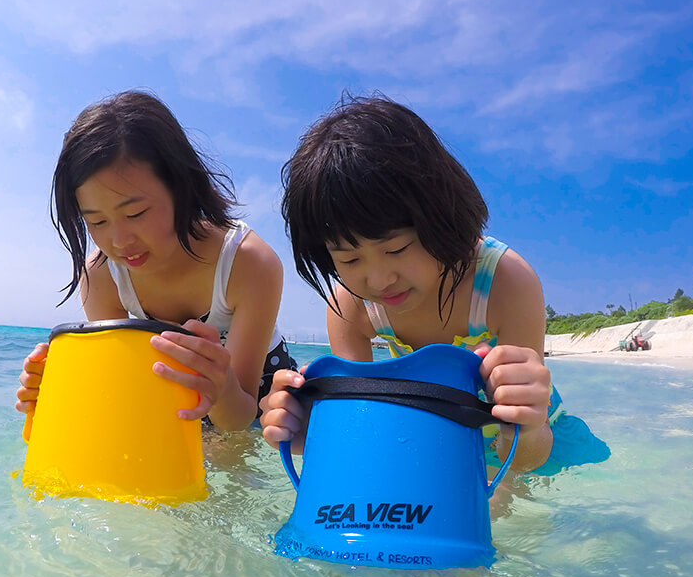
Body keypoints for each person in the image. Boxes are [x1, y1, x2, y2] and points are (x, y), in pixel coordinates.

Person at [259, 94, 609, 474]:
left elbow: (526, 458)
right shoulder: (352, 305)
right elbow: (363, 426)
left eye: (396, 249)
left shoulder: (504, 282)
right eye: (349, 260)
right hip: (438, 430)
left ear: (443, 218)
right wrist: (312, 430)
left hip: (534, 437)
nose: (379, 280)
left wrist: (525, 429)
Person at [16, 91, 297, 431]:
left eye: (135, 213)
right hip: (169, 392)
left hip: (256, 406)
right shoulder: (102, 276)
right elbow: (120, 391)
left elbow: (237, 419)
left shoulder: (249, 263)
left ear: (180, 187)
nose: (120, 241)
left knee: (226, 451)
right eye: (97, 221)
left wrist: (221, 389)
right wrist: (61, 390)